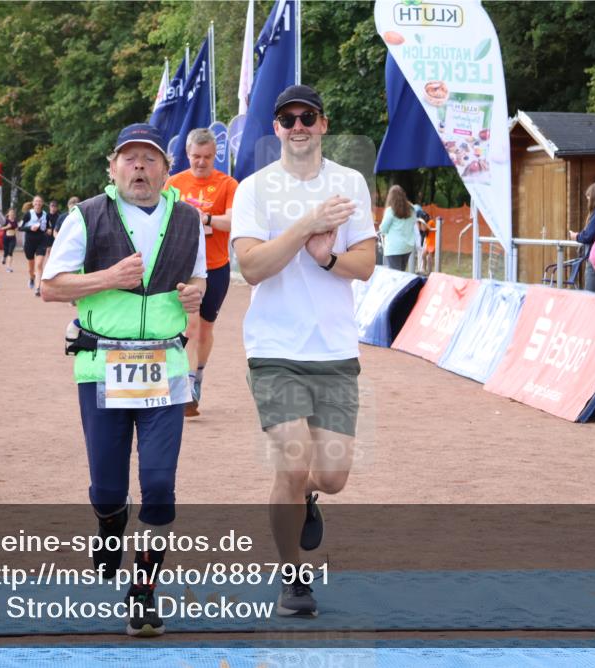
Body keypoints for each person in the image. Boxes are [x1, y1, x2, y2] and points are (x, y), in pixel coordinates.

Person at [41, 123, 206, 637]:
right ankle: (110, 522)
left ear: (165, 168)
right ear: (112, 168)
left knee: (159, 487)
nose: (140, 167)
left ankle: (144, 592)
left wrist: (195, 294)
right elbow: (49, 287)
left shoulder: (187, 218)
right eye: (130, 158)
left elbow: (198, 276)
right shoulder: (86, 216)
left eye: (150, 159)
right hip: (101, 366)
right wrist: (109, 278)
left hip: (165, 367)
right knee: (108, 488)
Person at [231, 85, 376, 617]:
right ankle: (292, 577)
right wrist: (306, 226)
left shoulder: (351, 183)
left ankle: (305, 496)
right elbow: (252, 267)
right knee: (292, 464)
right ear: (276, 128)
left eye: (307, 117)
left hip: (335, 350)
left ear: (322, 123)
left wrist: (327, 256)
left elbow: (365, 265)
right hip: (273, 348)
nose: (298, 126)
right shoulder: (254, 189)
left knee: (331, 478)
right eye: (288, 118)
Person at [165, 127, 240, 417]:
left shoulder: (228, 184)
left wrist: (205, 217)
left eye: (207, 157)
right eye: (196, 157)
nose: (201, 162)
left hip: (216, 265)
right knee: (190, 327)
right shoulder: (173, 183)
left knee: (206, 329)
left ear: (215, 156)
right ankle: (187, 385)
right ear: (187, 154)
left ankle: (198, 373)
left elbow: (233, 221)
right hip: (182, 266)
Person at [378, 185, 416, 271]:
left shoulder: (390, 211)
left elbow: (383, 229)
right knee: (401, 273)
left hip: (394, 248)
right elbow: (414, 222)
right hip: (407, 246)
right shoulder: (411, 209)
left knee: (395, 276)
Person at [19, 195, 49, 295]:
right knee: (31, 268)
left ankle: (38, 288)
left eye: (40, 201)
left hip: (42, 241)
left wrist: (49, 230)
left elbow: (48, 227)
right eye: (36, 202)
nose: (38, 203)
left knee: (39, 264)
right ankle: (32, 277)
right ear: (33, 203)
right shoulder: (28, 214)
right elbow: (20, 228)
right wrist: (30, 228)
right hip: (30, 241)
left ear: (42, 203)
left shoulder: (45, 214)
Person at [1, 207, 18, 272]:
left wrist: (16, 229)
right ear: (8, 213)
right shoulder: (6, 221)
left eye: (13, 213)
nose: (12, 214)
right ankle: (4, 257)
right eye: (10, 212)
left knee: (10, 252)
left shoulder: (15, 221)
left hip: (13, 238)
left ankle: (8, 267)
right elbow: (1, 228)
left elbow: (16, 229)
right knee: (6, 251)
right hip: (6, 238)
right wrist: (7, 227)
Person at [44, 199, 60, 264]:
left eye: (55, 206)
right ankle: (48, 264)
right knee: (48, 250)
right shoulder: (46, 216)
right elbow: (42, 226)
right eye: (52, 206)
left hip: (56, 236)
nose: (53, 208)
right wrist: (46, 229)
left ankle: (54, 263)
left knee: (55, 251)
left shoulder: (59, 216)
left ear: (57, 208)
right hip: (48, 236)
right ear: (49, 207)